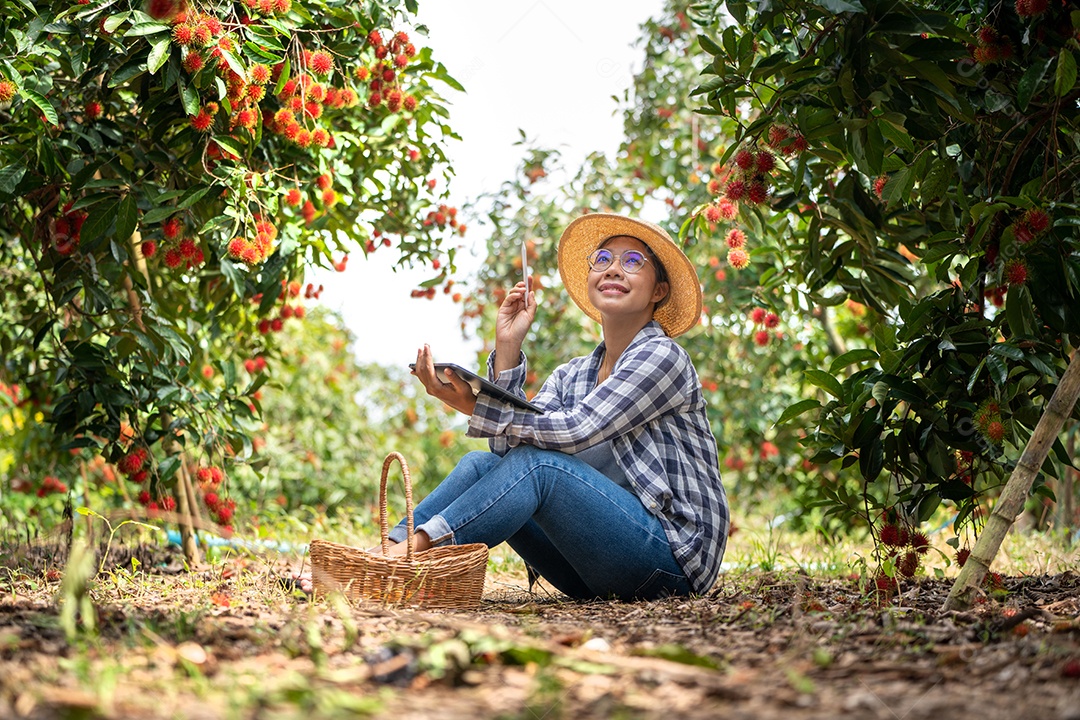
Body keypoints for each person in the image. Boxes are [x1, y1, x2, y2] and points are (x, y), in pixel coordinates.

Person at [398, 212, 730, 600]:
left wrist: (476, 408)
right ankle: (384, 550)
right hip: (589, 567)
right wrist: (507, 348)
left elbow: (573, 431)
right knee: (481, 465)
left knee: (540, 467)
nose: (614, 270)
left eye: (633, 262)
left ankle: (404, 558)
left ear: (658, 291)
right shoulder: (571, 375)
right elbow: (508, 451)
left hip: (670, 562)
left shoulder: (662, 357)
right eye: (602, 260)